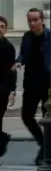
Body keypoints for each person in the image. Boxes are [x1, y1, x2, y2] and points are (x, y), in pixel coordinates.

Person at [13, 8, 51, 165]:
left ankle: (46, 151)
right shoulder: (27, 37)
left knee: (48, 117)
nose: (32, 23)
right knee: (26, 115)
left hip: (48, 84)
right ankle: (43, 143)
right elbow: (23, 53)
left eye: (35, 20)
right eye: (29, 20)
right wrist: (19, 61)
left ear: (42, 20)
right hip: (31, 82)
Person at [0, 16, 16, 156]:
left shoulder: (9, 47)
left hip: (2, 88)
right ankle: (2, 140)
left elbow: (12, 70)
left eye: (2, 27)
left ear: (5, 30)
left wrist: (13, 90)